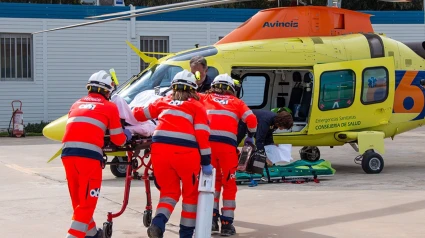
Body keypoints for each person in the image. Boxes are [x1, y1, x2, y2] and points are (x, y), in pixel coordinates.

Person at [132, 69, 213, 238]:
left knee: (169, 192)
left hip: (159, 151)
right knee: (190, 196)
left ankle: (158, 224)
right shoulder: (197, 107)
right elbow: (202, 135)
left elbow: (139, 114)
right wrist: (206, 160)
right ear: (193, 89)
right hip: (186, 154)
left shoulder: (163, 101)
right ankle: (185, 234)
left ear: (173, 87)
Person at [61, 70, 132, 238]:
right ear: (108, 91)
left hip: (67, 154)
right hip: (89, 157)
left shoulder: (76, 104)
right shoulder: (109, 106)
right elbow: (118, 139)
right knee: (88, 201)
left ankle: (92, 233)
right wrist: (126, 135)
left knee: (78, 198)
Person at [199, 74, 257, 236]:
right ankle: (226, 224)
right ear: (231, 89)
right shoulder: (237, 102)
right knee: (229, 183)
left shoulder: (203, 97)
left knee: (212, 183)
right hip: (227, 149)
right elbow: (251, 119)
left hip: (207, 147)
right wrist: (250, 136)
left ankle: (211, 220)